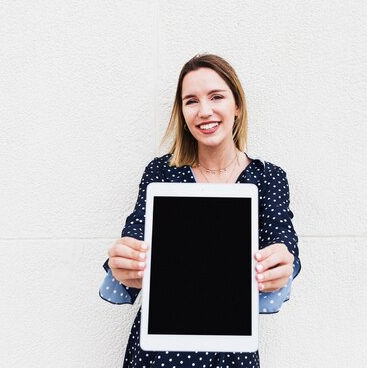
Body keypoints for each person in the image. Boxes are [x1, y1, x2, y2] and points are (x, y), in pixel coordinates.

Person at [99, 54, 301, 368]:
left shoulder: (267, 177)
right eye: (191, 101)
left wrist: (282, 264)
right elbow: (135, 243)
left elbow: (285, 246)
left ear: (237, 106)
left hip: (231, 353)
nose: (204, 111)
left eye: (216, 97)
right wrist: (124, 261)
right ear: (182, 112)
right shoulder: (162, 173)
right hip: (158, 354)